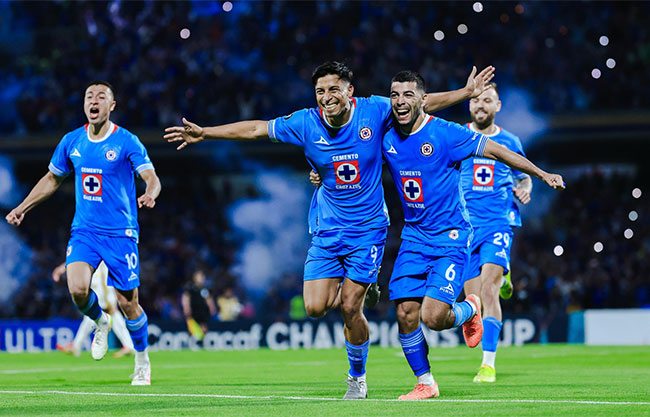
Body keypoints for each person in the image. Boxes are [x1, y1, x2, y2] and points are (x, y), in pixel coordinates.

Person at [164, 61, 494, 399]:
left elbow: (420, 102)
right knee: (315, 307)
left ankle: (357, 378)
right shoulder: (305, 122)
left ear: (350, 91)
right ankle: (365, 285)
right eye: (320, 91)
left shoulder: (374, 110)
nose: (326, 96)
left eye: (333, 89)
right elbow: (257, 129)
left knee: (350, 307)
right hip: (328, 230)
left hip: (368, 230)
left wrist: (465, 93)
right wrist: (206, 132)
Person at [312, 71, 564, 400]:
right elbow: (351, 153)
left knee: (433, 317)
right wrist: (321, 171)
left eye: (408, 95)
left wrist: (540, 174)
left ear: (423, 99)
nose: (400, 101)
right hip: (414, 237)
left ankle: (470, 308)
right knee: (405, 313)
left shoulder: (447, 133)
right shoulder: (385, 134)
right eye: (395, 95)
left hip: (450, 236)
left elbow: (498, 151)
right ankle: (426, 383)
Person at [6, 81, 161, 386]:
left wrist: (150, 193)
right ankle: (100, 321)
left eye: (101, 97)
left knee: (128, 303)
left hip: (120, 233)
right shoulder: (72, 141)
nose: (94, 101)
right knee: (77, 289)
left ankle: (142, 361)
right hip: (85, 231)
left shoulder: (127, 141)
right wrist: (23, 207)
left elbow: (151, 176)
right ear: (84, 104)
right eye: (90, 96)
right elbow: (52, 179)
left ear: (111, 106)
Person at [460, 83, 532, 383]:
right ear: (469, 105)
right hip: (464, 227)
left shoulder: (510, 141)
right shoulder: (458, 136)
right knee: (473, 298)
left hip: (498, 223)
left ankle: (487, 364)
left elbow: (524, 176)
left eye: (487, 100)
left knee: (488, 290)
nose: (481, 105)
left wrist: (525, 189)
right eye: (476, 100)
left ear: (497, 105)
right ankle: (505, 277)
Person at [52, 261, 135, 358]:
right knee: (98, 314)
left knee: (107, 311)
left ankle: (76, 346)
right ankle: (129, 345)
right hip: (98, 273)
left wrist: (61, 269)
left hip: (102, 277)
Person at [181, 269, 218, 345]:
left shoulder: (205, 289)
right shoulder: (190, 287)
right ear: (195, 278)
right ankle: (191, 343)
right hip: (193, 311)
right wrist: (186, 307)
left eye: (203, 277)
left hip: (202, 311)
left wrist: (212, 307)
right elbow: (185, 297)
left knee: (204, 328)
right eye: (200, 276)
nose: (202, 278)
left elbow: (209, 299)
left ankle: (202, 343)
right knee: (192, 328)